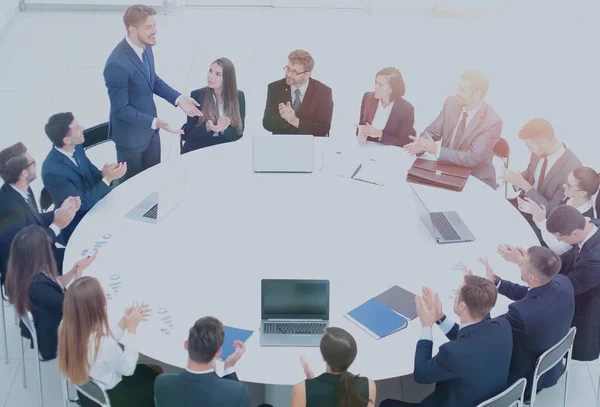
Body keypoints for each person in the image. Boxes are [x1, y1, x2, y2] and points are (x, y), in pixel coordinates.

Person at [380, 275, 512, 407]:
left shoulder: (452, 353)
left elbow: (420, 375)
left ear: (462, 306)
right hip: (489, 399)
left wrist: (427, 325)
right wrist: (439, 318)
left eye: (457, 293)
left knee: (386, 404)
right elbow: (472, 339)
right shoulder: (503, 326)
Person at [103, 4, 202, 181]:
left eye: (154, 25)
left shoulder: (145, 46)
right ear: (132, 30)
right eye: (149, 27)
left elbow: (152, 79)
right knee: (134, 188)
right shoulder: (116, 65)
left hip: (151, 132)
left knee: (154, 180)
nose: (155, 31)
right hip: (130, 139)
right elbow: (121, 109)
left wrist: (178, 99)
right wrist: (155, 122)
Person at [469, 247, 574, 399]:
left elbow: (488, 331)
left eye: (522, 262)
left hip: (524, 378)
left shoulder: (520, 313)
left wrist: (480, 295)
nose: (519, 263)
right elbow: (533, 294)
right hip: (552, 363)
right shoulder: (563, 283)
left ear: (532, 278)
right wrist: (497, 283)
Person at [57, 276, 156, 407]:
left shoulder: (65, 327)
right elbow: (128, 369)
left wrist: (124, 323)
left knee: (149, 372)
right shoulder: (104, 345)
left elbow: (101, 346)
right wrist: (132, 330)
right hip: (116, 396)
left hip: (91, 390)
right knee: (157, 377)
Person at [4, 226, 96, 360]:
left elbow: (55, 283)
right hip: (56, 339)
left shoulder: (25, 273)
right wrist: (80, 273)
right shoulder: (38, 288)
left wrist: (74, 270)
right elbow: (73, 305)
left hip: (51, 324)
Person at [404, 69, 502, 188]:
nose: (456, 92)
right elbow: (432, 131)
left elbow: (471, 158)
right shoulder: (451, 103)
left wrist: (436, 150)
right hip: (448, 170)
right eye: (458, 87)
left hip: (475, 178)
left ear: (477, 95)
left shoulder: (492, 121)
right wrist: (422, 144)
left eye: (462, 90)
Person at [0, 142, 79, 284]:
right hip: (28, 273)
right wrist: (57, 225)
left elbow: (31, 220)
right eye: (33, 163)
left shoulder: (22, 188)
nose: (36, 164)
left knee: (81, 255)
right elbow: (28, 251)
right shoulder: (10, 209)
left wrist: (58, 212)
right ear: (23, 173)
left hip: (42, 255)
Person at [42, 112, 127, 244]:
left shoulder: (77, 147)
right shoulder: (52, 171)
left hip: (96, 204)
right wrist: (107, 179)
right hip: (79, 222)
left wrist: (103, 174)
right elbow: (81, 204)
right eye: (77, 128)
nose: (82, 128)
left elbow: (91, 171)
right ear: (66, 140)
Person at [154, 316, 251, 407]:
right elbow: (234, 397)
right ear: (218, 353)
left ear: (186, 345)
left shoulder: (162, 383)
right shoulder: (237, 391)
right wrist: (229, 367)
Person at [545, 205, 600, 361]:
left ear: (575, 233)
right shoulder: (592, 226)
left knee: (580, 346)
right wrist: (541, 261)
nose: (558, 241)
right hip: (584, 289)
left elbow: (568, 287)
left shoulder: (596, 258)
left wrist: (531, 269)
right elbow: (569, 257)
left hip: (589, 307)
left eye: (560, 238)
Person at [502, 118, 581, 213]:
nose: (529, 151)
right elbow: (531, 172)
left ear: (544, 144)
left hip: (538, 218)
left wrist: (524, 185)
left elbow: (552, 210)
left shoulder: (572, 170)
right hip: (521, 203)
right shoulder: (539, 152)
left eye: (530, 147)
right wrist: (515, 179)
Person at [517, 167, 599, 254]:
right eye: (566, 180)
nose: (564, 185)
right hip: (543, 236)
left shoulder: (585, 221)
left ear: (582, 193)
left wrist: (541, 221)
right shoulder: (569, 197)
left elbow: (559, 249)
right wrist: (536, 212)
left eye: (569, 185)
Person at [290, 327, 376, 407]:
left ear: (323, 357)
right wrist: (313, 384)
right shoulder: (368, 386)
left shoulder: (301, 391)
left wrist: (311, 386)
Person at [262, 50, 333, 137]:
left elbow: (323, 129)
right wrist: (285, 118)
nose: (288, 74)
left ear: (307, 75)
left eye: (294, 72)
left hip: (311, 146)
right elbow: (267, 124)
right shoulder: (275, 88)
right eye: (288, 68)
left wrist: (294, 121)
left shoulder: (323, 92)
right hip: (281, 144)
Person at [181, 58, 245, 154]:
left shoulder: (238, 96)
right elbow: (190, 133)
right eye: (210, 71)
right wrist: (208, 127)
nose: (211, 77)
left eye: (218, 74)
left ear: (227, 78)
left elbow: (239, 132)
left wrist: (222, 129)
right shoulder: (197, 95)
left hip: (223, 150)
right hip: (198, 150)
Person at [355, 67, 415, 147]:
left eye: (380, 85)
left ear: (392, 89)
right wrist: (361, 131)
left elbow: (404, 142)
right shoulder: (368, 98)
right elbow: (361, 126)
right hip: (369, 148)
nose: (375, 87)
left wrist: (381, 134)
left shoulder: (406, 109)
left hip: (391, 151)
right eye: (376, 82)